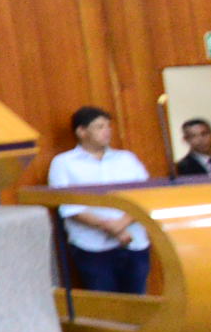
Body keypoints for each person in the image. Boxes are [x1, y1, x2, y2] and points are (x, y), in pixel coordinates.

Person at [49, 106, 153, 294]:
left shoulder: (127, 159)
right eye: (100, 127)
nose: (107, 131)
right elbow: (69, 208)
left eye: (108, 126)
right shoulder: (63, 163)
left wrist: (121, 224)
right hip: (92, 247)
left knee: (139, 302)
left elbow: (146, 195)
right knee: (106, 305)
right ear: (81, 131)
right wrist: (112, 228)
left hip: (133, 242)